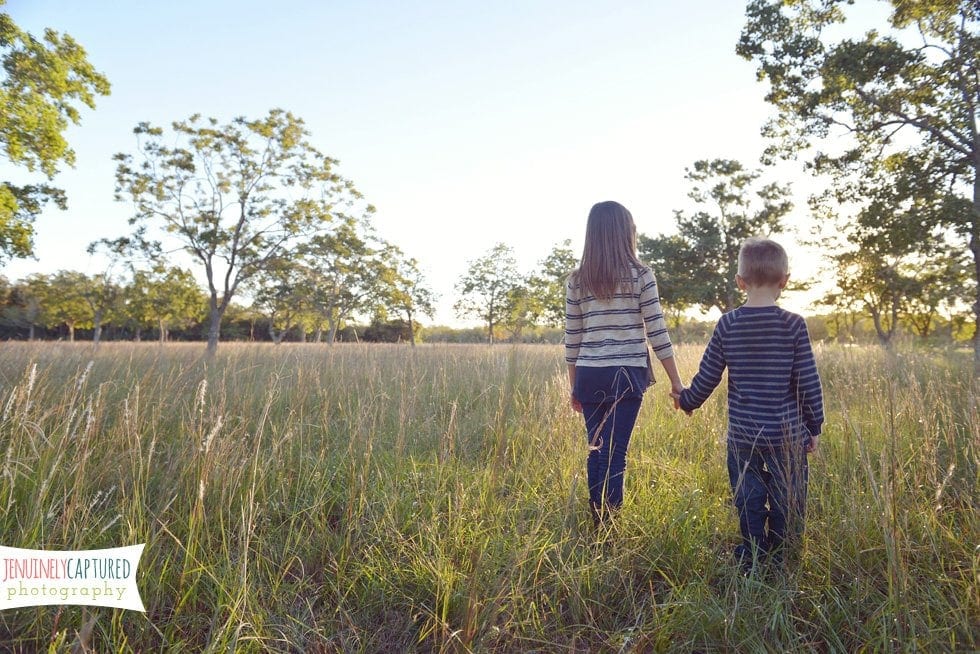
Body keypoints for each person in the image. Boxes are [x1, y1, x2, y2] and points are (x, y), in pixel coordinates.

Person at [674, 236, 824, 570]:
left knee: (748, 493)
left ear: (740, 282)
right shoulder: (793, 325)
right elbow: (807, 382)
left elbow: (708, 376)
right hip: (787, 434)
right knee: (789, 494)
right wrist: (814, 426)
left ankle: (752, 552)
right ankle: (782, 551)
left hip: (744, 435)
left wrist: (687, 400)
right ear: (785, 281)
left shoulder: (728, 324)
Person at [565, 200, 684, 528]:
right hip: (628, 374)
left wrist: (573, 384)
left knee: (595, 447)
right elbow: (657, 330)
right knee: (615, 451)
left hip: (590, 375)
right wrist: (676, 381)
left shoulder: (576, 281)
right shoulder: (641, 275)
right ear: (625, 233)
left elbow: (572, 340)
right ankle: (609, 525)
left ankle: (597, 520)